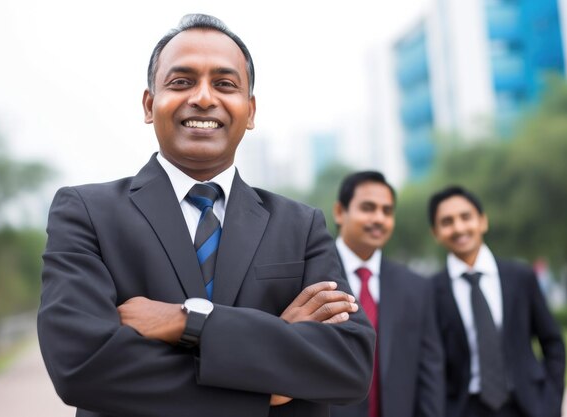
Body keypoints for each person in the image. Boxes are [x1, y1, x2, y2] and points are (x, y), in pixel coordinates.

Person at [37, 14, 375, 417]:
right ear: (150, 104)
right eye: (181, 82)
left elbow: (349, 364)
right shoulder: (87, 213)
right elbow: (81, 365)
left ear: (249, 112)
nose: (202, 97)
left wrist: (188, 322)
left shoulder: (300, 226)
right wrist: (266, 381)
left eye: (224, 84)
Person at [428, 185, 566, 417]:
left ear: (483, 221)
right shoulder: (429, 290)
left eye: (466, 217)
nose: (459, 227)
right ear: (436, 232)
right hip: (462, 408)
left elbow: (552, 342)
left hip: (527, 406)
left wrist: (550, 403)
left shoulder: (521, 277)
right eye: (447, 221)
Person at [329, 171, 444, 417]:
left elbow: (430, 370)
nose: (379, 218)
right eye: (368, 208)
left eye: (387, 211)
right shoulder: (311, 275)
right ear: (340, 212)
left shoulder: (417, 288)